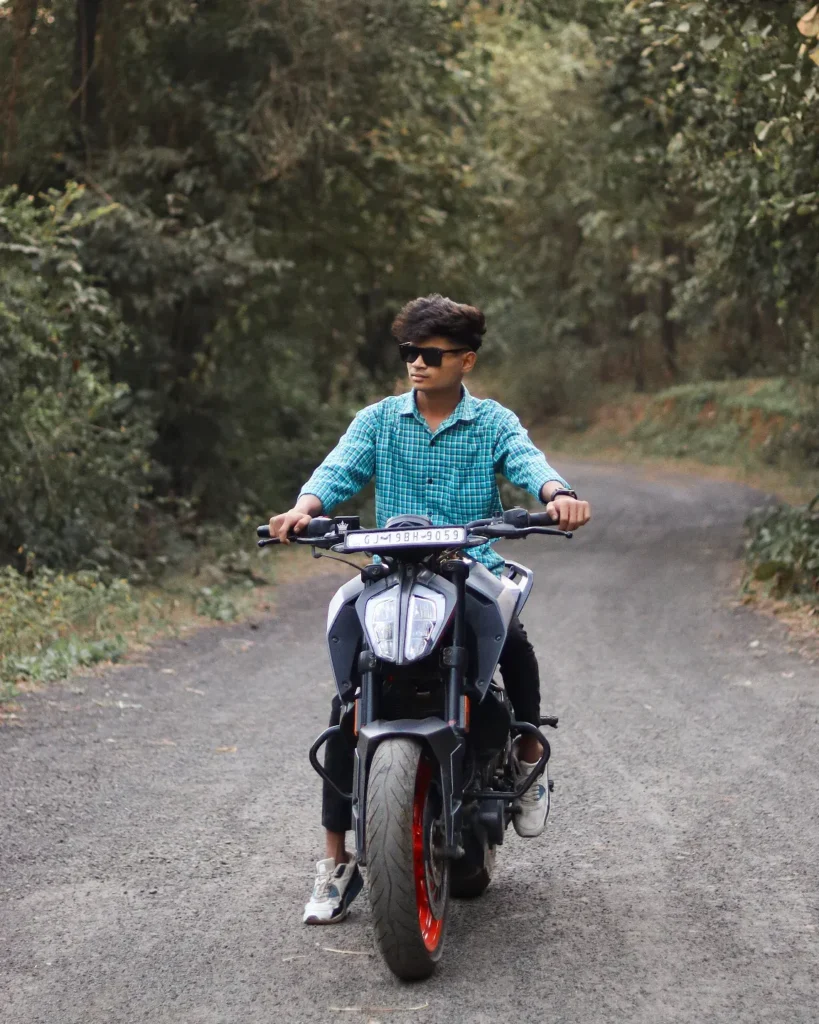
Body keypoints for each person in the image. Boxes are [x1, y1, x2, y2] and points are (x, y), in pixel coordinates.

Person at [268, 294, 591, 924]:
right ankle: (335, 862)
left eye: (432, 354)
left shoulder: (494, 422)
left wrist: (559, 494)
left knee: (514, 640)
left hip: (470, 568)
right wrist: (304, 509)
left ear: (465, 360)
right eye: (409, 352)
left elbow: (530, 465)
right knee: (349, 708)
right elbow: (337, 471)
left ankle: (528, 757)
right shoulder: (379, 420)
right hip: (392, 574)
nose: (417, 363)